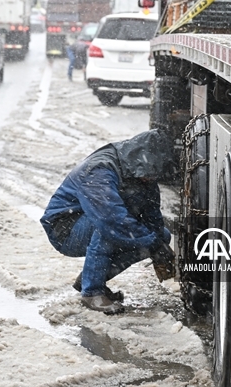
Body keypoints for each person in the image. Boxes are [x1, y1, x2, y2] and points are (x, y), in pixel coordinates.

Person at [41, 130, 177, 314]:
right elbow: (111, 220)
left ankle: (89, 278)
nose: (151, 179)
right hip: (65, 228)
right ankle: (92, 292)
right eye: (150, 174)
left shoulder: (140, 171)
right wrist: (151, 243)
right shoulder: (99, 169)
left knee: (161, 236)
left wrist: (159, 244)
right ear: (139, 161)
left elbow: (151, 213)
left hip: (98, 221)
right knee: (111, 231)